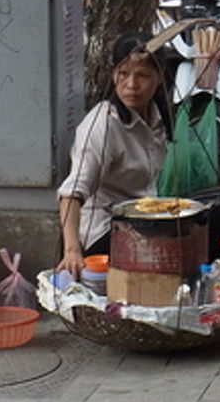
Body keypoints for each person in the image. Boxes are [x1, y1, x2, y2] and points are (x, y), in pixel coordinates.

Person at [56, 32, 171, 279]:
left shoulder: (157, 120)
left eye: (142, 75)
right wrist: (72, 250)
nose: (131, 84)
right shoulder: (103, 124)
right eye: (123, 73)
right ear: (113, 75)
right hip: (105, 234)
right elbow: (71, 193)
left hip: (144, 219)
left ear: (159, 78)